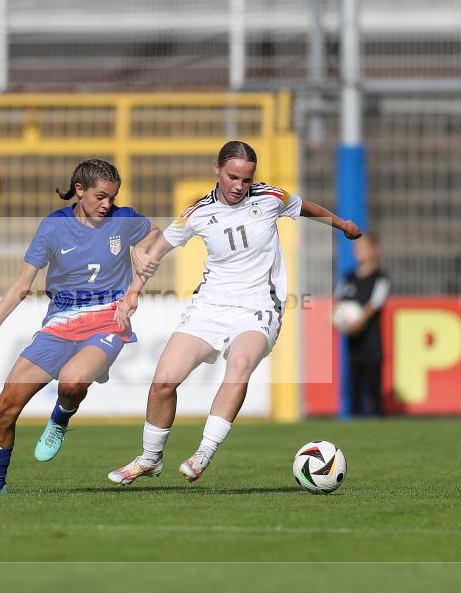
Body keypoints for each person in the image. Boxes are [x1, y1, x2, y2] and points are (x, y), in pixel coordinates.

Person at [107, 140, 361, 485]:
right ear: (217, 170)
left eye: (246, 179)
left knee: (239, 363)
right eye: (233, 177)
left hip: (259, 306)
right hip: (209, 306)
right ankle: (150, 459)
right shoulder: (196, 214)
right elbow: (157, 252)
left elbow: (306, 208)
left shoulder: (270, 197)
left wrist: (341, 223)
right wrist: (133, 292)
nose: (240, 186)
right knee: (163, 381)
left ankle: (204, 453)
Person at [0, 159, 159, 495]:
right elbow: (21, 285)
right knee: (5, 407)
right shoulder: (53, 226)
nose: (108, 205)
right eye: (101, 197)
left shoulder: (123, 219)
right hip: (60, 324)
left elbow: (155, 233)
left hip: (108, 319)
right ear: (79, 190)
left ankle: (60, 418)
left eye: (112, 197)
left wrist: (140, 247)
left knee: (73, 382)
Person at [333, 234, 391, 416]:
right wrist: (337, 320)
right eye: (356, 249)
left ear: (374, 251)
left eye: (363, 248)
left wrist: (358, 321)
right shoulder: (348, 277)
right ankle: (355, 420)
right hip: (353, 340)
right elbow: (337, 302)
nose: (358, 252)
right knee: (354, 383)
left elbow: (374, 304)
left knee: (373, 385)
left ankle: (377, 418)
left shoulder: (380, 278)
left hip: (371, 341)